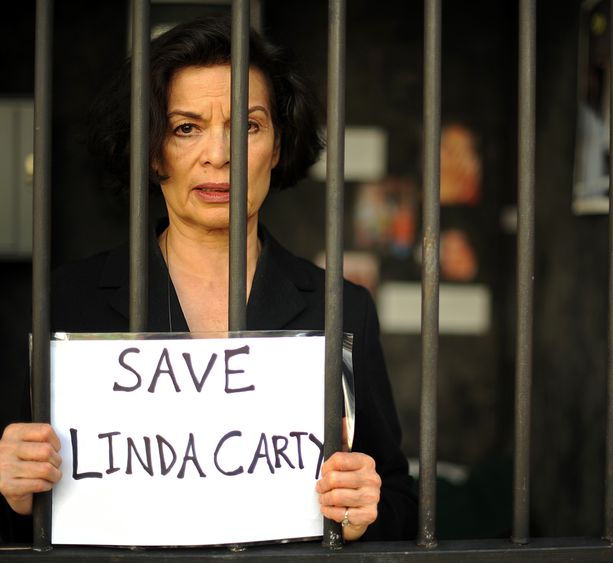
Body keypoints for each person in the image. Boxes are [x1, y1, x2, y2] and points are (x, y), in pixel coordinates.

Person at [0, 16, 416, 543]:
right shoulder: (69, 298)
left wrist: (362, 513)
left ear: (280, 146)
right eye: (185, 128)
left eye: (247, 126)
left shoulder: (340, 307)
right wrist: (13, 496)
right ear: (153, 152)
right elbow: (29, 521)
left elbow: (402, 505)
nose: (219, 155)